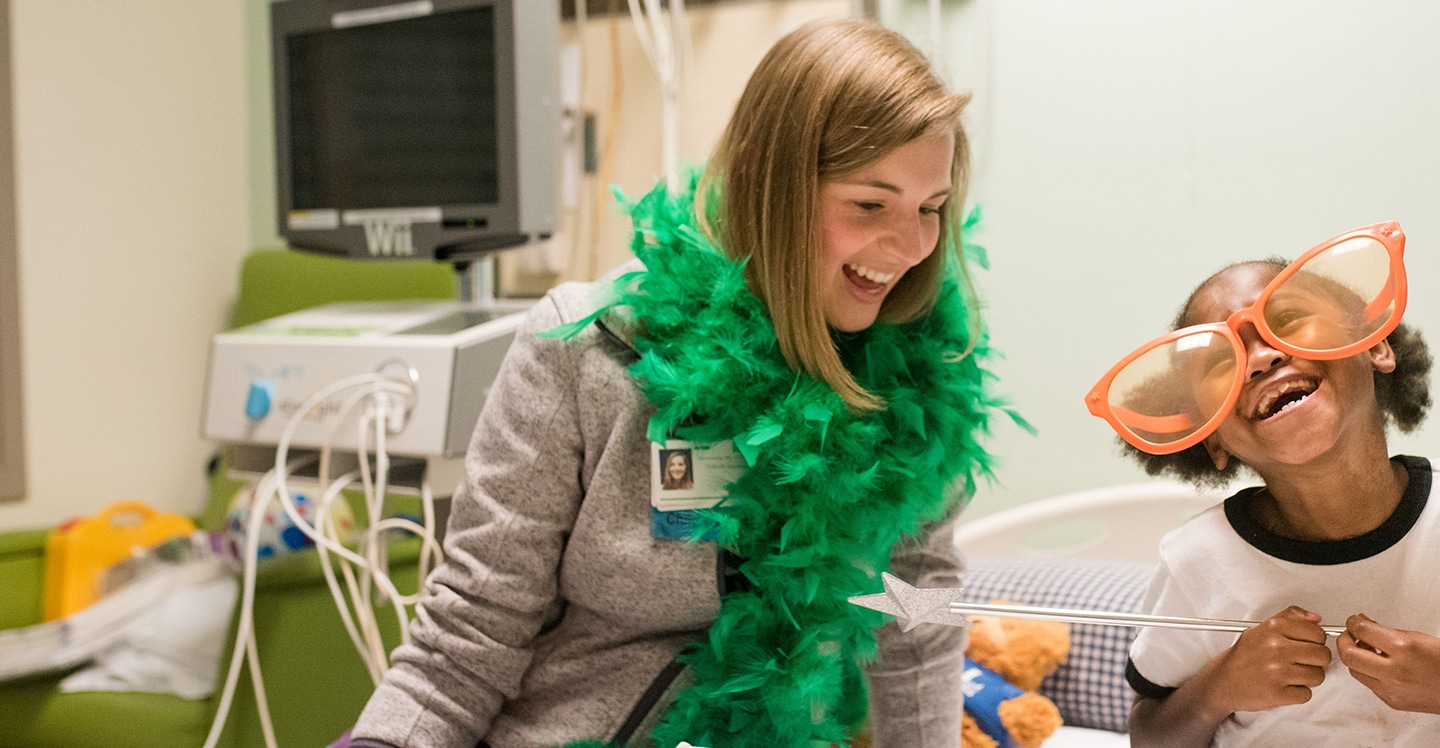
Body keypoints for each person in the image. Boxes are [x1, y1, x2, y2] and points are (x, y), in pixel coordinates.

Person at [346, 17, 1004, 748]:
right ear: (762, 179)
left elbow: (920, 612)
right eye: (869, 205)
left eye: (931, 209)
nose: (912, 247)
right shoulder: (588, 352)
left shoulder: (918, 388)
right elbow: (468, 635)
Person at [1084, 221, 1440, 747]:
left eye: (1290, 319)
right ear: (1212, 439)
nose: (1261, 358)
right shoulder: (1197, 562)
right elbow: (1150, 737)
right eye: (1218, 362)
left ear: (1374, 345)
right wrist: (1219, 688)